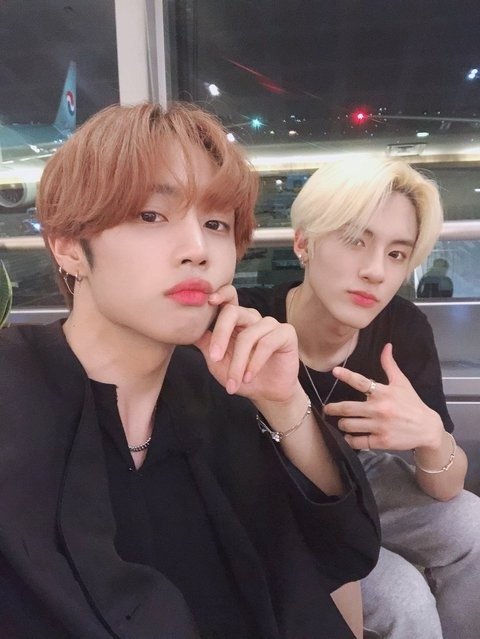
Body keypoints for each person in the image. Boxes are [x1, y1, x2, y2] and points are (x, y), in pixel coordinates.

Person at [0, 103, 380, 639]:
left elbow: (346, 553)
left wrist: (286, 404)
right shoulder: (15, 387)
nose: (197, 250)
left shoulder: (223, 394)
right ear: (69, 247)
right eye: (150, 216)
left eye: (215, 224)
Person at [238, 157, 480, 639]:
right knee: (402, 596)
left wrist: (431, 437)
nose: (375, 271)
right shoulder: (251, 327)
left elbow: (446, 487)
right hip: (271, 498)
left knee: (471, 523)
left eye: (397, 253)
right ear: (303, 243)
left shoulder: (401, 327)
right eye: (354, 240)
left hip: (358, 476)